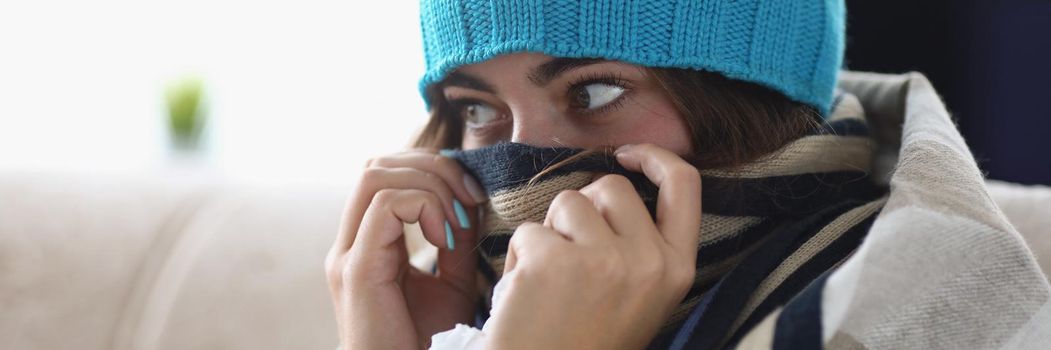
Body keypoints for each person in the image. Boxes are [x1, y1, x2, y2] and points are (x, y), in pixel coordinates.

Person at [326, 1, 1051, 349]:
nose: (526, 157)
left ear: (748, 104)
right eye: (477, 108)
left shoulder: (929, 314)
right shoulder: (470, 314)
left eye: (593, 93)